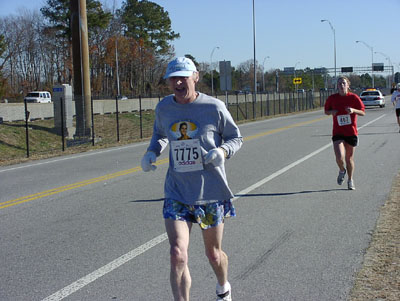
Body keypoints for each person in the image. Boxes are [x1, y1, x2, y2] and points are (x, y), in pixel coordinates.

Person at [141, 57, 242, 301]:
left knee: (213, 254)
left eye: (183, 77)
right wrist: (152, 152)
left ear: (195, 77)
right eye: (173, 78)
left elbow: (236, 138)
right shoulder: (164, 108)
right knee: (177, 253)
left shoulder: (214, 107)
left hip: (209, 192)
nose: (178, 82)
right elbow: (160, 134)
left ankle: (222, 286)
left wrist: (222, 151)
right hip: (177, 191)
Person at [324, 76, 365, 190]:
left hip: (351, 132)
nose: (341, 85)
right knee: (339, 157)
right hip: (338, 132)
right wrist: (331, 112)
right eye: (339, 84)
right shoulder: (332, 98)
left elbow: (362, 112)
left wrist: (353, 110)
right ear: (337, 86)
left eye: (343, 83)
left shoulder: (354, 98)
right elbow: (326, 111)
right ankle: (342, 170)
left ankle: (350, 180)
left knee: (349, 158)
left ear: (348, 85)